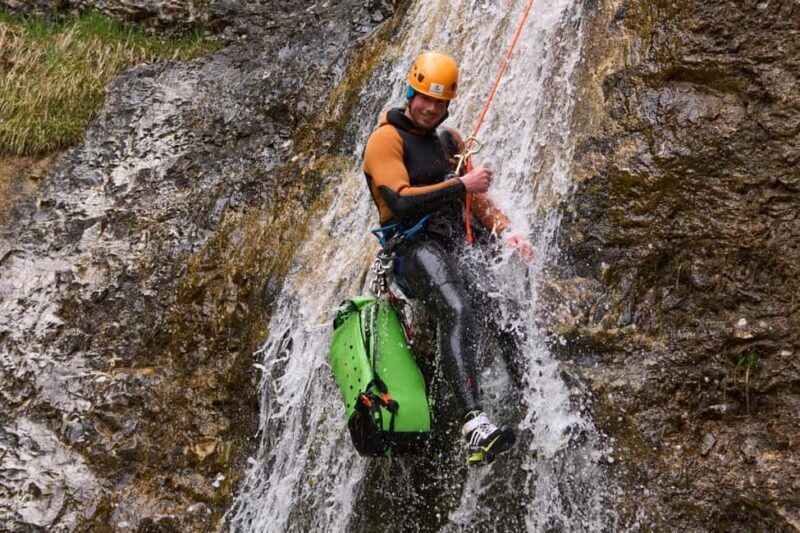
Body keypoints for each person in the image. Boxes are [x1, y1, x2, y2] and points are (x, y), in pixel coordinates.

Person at [362, 51, 534, 466]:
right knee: (458, 307)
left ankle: (536, 407)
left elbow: (475, 200)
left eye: (439, 102)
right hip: (412, 251)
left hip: (455, 247)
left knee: (503, 314)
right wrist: (460, 184)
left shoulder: (450, 141)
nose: (430, 108)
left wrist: (506, 230)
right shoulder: (386, 139)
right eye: (424, 98)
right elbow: (398, 201)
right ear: (410, 92)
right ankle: (474, 424)